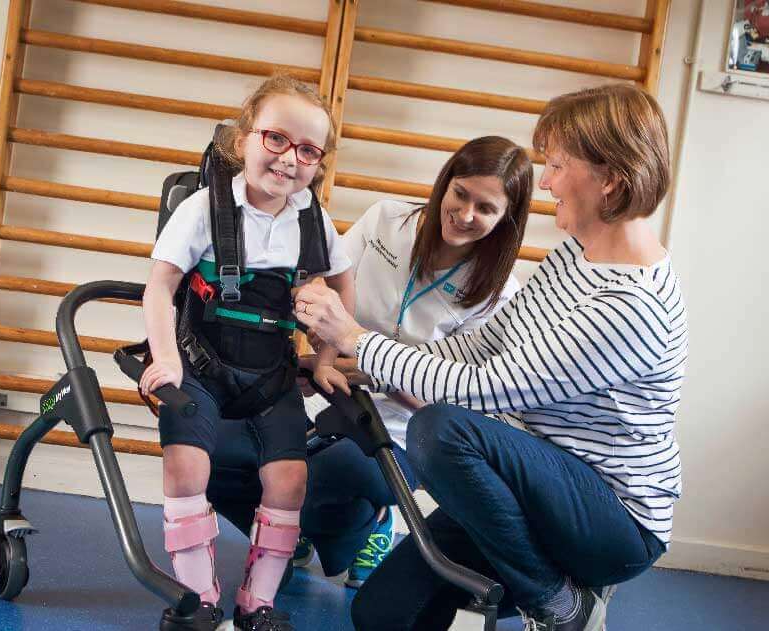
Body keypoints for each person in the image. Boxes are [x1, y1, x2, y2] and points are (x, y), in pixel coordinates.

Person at [293, 83, 686, 631]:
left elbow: (488, 386)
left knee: (442, 429)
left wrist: (359, 339)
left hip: (611, 521)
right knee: (382, 614)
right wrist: (366, 366)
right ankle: (540, 578)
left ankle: (559, 602)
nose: (546, 182)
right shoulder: (577, 254)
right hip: (532, 491)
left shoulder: (630, 304)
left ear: (610, 180)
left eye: (558, 165)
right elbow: (487, 341)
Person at [139, 75, 354, 631]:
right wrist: (165, 360)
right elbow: (160, 286)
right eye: (276, 139)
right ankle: (198, 597)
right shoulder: (203, 210)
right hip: (201, 365)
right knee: (186, 466)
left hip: (270, 375)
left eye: (308, 150)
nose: (289, 159)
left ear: (319, 161)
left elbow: (341, 288)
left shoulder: (314, 220)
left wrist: (327, 357)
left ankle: (257, 601)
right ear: (243, 142)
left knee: (290, 481)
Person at [294, 135, 531, 588]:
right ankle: (307, 523)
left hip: (405, 430)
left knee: (335, 474)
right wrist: (317, 357)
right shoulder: (386, 219)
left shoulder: (502, 296)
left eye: (486, 208)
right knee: (253, 459)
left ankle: (372, 518)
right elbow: (329, 294)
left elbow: (450, 402)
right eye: (460, 194)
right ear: (445, 182)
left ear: (506, 220)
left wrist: (354, 370)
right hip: (327, 392)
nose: (465, 215)